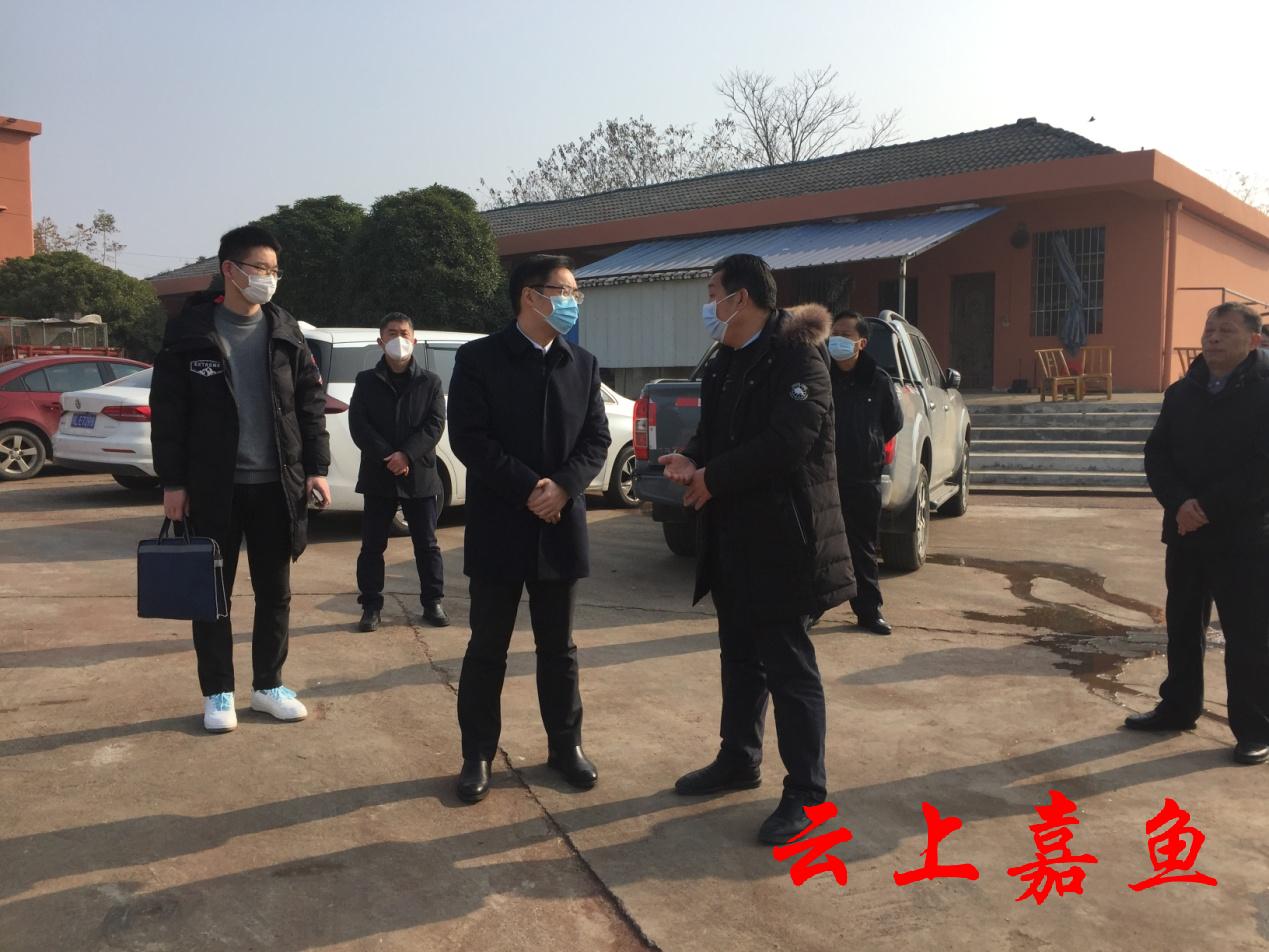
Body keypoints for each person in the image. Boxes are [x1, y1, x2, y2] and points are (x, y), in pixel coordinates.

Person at [660, 254, 855, 844]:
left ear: (740, 298)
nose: (708, 305)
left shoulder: (799, 357)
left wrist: (712, 477)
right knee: (740, 657)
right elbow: (715, 431)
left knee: (789, 668)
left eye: (712, 292)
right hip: (734, 537)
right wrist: (691, 457)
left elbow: (787, 442)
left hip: (785, 538)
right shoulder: (725, 359)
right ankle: (739, 758)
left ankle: (806, 793)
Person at [151, 225, 331, 733]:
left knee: (276, 592)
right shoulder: (190, 334)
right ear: (230, 270)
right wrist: (173, 483)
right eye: (260, 268)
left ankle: (269, 686)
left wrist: (316, 468)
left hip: (276, 487)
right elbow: (168, 413)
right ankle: (218, 693)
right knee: (212, 595)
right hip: (214, 489)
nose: (268, 278)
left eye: (274, 270)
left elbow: (309, 404)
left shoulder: (285, 329)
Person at [446, 253, 611, 803]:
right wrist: (528, 489)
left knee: (558, 648)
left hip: (560, 525)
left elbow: (595, 439)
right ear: (530, 296)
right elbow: (470, 438)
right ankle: (477, 754)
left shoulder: (581, 363)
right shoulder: (479, 358)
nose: (572, 302)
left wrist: (562, 486)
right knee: (487, 647)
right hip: (500, 524)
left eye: (575, 294)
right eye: (564, 292)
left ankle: (566, 746)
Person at [1134, 301, 1269, 765]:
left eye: (1226, 331)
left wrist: (1206, 508)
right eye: (1209, 329)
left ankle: (1254, 729)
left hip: (1244, 538)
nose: (1213, 338)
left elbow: (1263, 469)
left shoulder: (1264, 392)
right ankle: (1178, 707)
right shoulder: (1181, 392)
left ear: (1253, 340)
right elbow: (1156, 454)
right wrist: (1180, 503)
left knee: (1248, 636)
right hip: (1186, 533)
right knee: (1183, 627)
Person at [349, 312, 448, 632]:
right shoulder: (366, 380)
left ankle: (432, 602)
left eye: (404, 333)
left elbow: (434, 425)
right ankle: (370, 606)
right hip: (378, 475)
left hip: (419, 475)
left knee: (427, 544)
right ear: (381, 342)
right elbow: (359, 425)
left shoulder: (430, 382)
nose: (399, 339)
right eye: (391, 333)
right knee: (372, 546)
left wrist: (406, 454)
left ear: (414, 340)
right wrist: (387, 456)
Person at [826, 311, 903, 635]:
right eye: (834, 333)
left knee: (863, 548)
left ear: (862, 343)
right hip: (824, 477)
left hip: (862, 477)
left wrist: (866, 443)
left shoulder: (878, 380)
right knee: (820, 546)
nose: (837, 340)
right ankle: (813, 608)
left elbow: (893, 422)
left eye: (845, 335)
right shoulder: (821, 376)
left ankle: (869, 611)